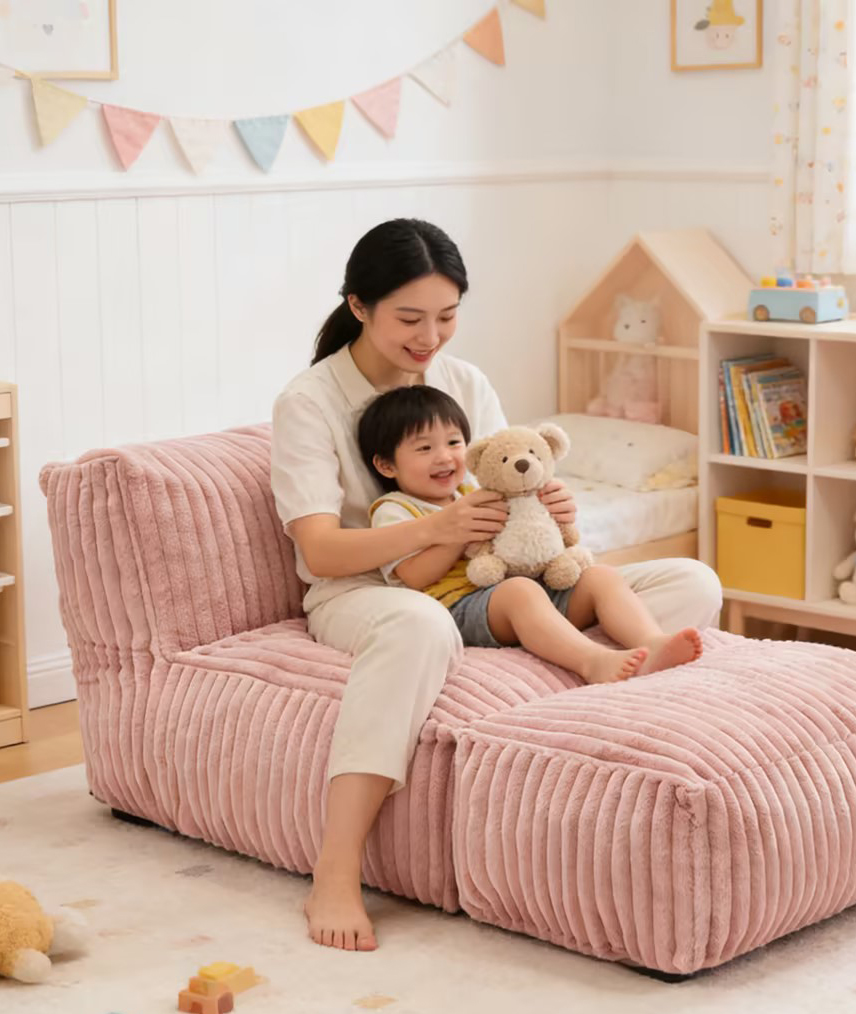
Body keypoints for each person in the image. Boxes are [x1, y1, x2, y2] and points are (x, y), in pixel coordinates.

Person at [270, 218, 722, 953]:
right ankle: (336, 868)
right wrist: (436, 530)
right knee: (419, 626)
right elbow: (320, 549)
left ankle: (587, 659)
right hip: (367, 588)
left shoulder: (463, 382)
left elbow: (515, 481)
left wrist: (555, 508)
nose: (430, 337)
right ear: (358, 305)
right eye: (409, 319)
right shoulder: (310, 401)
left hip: (492, 578)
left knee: (689, 580)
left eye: (447, 316)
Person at [358, 384, 703, 684]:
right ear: (386, 465)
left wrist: (550, 508)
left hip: (520, 589)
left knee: (599, 576)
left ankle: (651, 642)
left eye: (453, 442)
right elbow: (414, 576)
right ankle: (592, 660)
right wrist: (457, 534)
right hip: (458, 608)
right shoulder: (395, 508)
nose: (445, 457)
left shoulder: (473, 493)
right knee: (520, 591)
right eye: (424, 448)